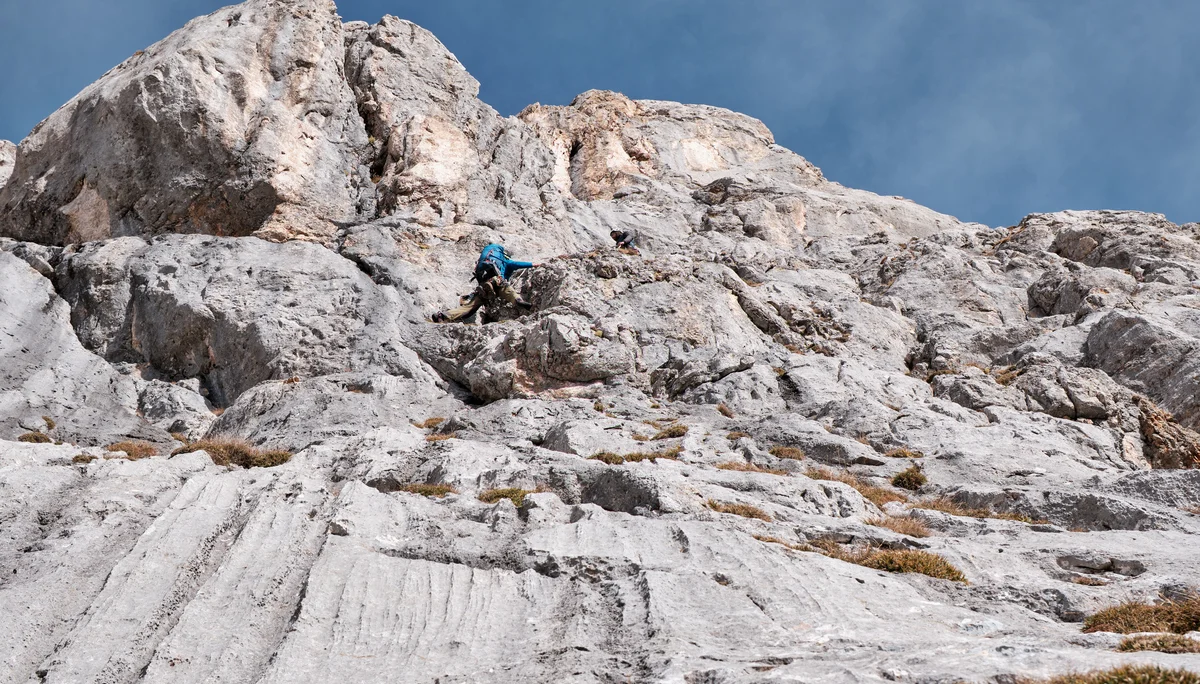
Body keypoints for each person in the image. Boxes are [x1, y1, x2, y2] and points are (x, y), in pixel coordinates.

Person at [432, 244, 541, 323]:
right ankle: (519, 301)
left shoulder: (486, 262)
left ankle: (443, 315)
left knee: (469, 309)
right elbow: (518, 264)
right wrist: (534, 264)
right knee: (509, 292)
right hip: (499, 283)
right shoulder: (506, 261)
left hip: (483, 286)